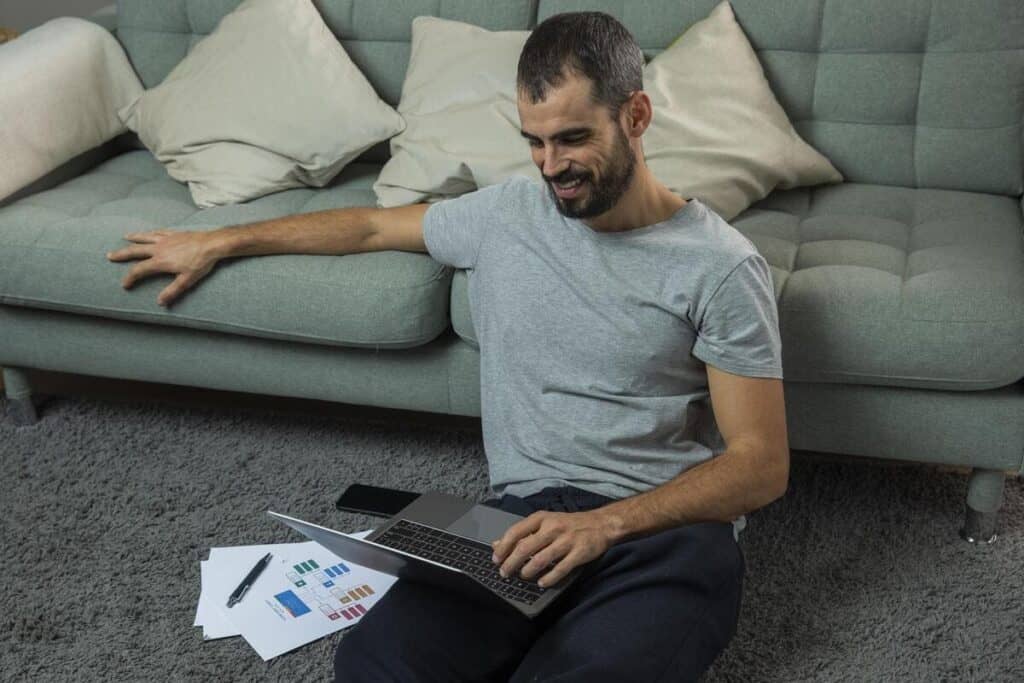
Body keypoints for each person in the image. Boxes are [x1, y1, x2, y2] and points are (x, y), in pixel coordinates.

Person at [107, 11, 789, 682]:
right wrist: (220, 240)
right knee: (374, 662)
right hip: (519, 521)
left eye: (573, 138)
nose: (552, 166)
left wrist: (608, 524)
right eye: (535, 141)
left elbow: (760, 465)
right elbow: (373, 228)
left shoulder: (719, 266)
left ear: (635, 116)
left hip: (664, 532)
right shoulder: (507, 215)